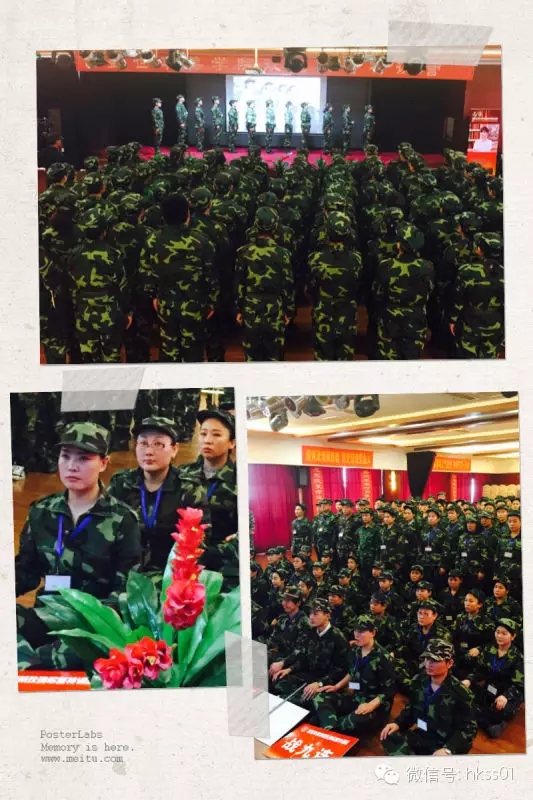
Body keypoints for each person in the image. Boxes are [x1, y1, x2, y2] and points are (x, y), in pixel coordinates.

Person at [16, 422, 141, 669]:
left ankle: (29, 662)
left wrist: (92, 622)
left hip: (92, 625)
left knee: (67, 655)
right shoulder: (42, 510)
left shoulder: (123, 520)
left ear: (104, 463)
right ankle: (32, 662)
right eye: (65, 456)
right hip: (48, 614)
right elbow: (26, 571)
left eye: (84, 458)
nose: (72, 466)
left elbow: (125, 591)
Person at [107, 416, 209, 584]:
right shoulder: (121, 483)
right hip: (124, 576)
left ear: (174, 449)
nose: (149, 451)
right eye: (143, 443)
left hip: (170, 577)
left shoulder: (189, 489)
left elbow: (198, 544)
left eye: (158, 444)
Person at [138, 193, 216, 362]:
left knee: (169, 349)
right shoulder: (202, 241)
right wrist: (211, 301)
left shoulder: (153, 240)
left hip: (166, 303)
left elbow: (146, 273)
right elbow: (211, 276)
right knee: (193, 350)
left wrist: (153, 297)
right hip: (195, 305)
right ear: (187, 214)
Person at [380, 639, 478, 755]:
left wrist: (448, 749)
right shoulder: (419, 680)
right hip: (422, 734)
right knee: (388, 735)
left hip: (443, 744)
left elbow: (468, 728)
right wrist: (397, 723)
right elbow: (411, 709)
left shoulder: (461, 693)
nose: (428, 664)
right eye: (427, 658)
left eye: (435, 660)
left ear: (449, 663)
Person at [177, 409, 238, 590]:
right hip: (182, 562)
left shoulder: (239, 480)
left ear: (232, 443)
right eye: (203, 434)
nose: (207, 440)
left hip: (221, 567)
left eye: (216, 435)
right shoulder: (182, 474)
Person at [313, 614, 396, 735]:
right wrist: (337, 686)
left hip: (375, 706)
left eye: (361, 631)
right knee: (320, 697)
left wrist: (371, 705)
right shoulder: (355, 650)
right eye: (355, 630)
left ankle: (329, 728)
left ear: (372, 633)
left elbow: (390, 690)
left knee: (353, 721)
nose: (356, 634)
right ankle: (331, 730)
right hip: (356, 698)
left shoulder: (383, 658)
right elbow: (352, 672)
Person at [235, 206, 293, 361]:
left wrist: (238, 309)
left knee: (252, 357)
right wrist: (288, 311)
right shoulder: (283, 254)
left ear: (255, 225)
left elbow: (239, 283)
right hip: (275, 307)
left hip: (250, 306)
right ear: (275, 226)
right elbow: (287, 285)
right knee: (274, 356)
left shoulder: (243, 252)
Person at [270, 598, 350, 709]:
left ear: (327, 616)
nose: (311, 617)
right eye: (310, 613)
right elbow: (304, 657)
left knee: (300, 699)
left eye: (316, 614)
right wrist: (290, 669)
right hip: (308, 676)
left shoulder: (338, 638)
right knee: (277, 679)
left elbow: (340, 670)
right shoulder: (311, 631)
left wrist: (319, 683)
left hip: (325, 681)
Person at [462, 619, 524, 738]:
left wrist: (506, 696)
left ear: (513, 636)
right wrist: (469, 680)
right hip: (490, 687)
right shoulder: (489, 648)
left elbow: (518, 685)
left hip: (507, 692)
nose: (499, 636)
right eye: (497, 632)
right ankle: (483, 720)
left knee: (498, 712)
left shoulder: (518, 657)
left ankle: (492, 722)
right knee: (465, 697)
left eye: (504, 633)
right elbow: (480, 671)